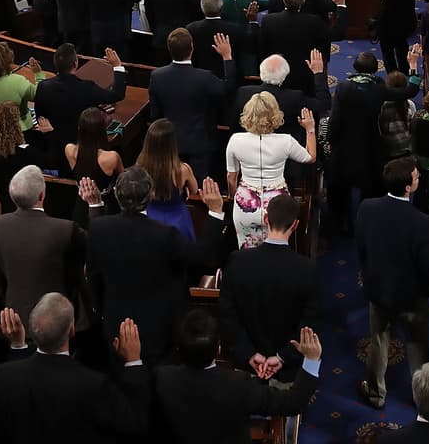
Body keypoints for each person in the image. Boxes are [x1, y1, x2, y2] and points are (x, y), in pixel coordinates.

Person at [87, 167, 227, 362]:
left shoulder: (98, 229)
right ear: (151, 194)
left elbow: (94, 280)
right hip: (159, 333)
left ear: (117, 194)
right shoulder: (165, 234)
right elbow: (202, 257)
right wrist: (215, 212)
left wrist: (103, 312)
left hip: (115, 327)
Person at [0, 293, 150, 441]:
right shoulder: (95, 385)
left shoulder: (2, 376)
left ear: (32, 330)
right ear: (72, 330)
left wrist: (18, 346)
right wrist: (133, 361)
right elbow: (134, 422)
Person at [155, 311, 321, 444]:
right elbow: (293, 402)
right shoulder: (238, 385)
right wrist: (311, 360)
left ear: (178, 349)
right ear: (218, 348)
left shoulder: (160, 379)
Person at [355, 157, 429, 409]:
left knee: (379, 340)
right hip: (412, 297)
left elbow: (361, 250)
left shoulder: (366, 208)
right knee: (417, 345)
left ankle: (376, 394)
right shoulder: (423, 223)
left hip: (378, 291)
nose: (419, 177)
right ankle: (422, 398)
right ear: (406, 187)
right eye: (415, 176)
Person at [219, 192, 316, 385]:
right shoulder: (307, 269)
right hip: (287, 370)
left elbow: (227, 315)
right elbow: (309, 324)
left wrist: (249, 353)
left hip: (245, 368)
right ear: (295, 225)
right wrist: (282, 357)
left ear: (265, 219)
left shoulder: (237, 261)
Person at [0, 165, 86, 329]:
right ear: (42, 194)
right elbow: (83, 267)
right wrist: (95, 206)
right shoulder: (65, 229)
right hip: (57, 320)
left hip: (15, 318)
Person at [226, 92, 316, 248]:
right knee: (277, 252)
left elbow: (231, 177)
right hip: (278, 207)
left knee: (247, 252)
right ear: (275, 114)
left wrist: (233, 197)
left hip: (245, 205)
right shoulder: (286, 141)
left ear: (248, 114)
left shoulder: (235, 140)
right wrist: (310, 129)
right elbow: (310, 157)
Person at [148, 28, 237, 180]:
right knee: (200, 189)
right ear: (192, 48)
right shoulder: (204, 78)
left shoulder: (157, 76)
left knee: (173, 185)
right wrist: (227, 56)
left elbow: (155, 115)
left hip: (170, 143)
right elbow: (229, 88)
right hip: (201, 144)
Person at [135, 118, 200, 241]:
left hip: (149, 219)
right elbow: (194, 190)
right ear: (172, 143)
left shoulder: (140, 165)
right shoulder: (183, 170)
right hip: (178, 222)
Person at [64, 105, 124, 189]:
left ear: (79, 129)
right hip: (105, 200)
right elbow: (124, 180)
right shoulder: (111, 157)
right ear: (103, 130)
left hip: (82, 200)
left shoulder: (69, 149)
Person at [377, 0, 421, 75]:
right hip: (405, 25)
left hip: (388, 25)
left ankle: (392, 74)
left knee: (387, 52)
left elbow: (383, 5)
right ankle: (405, 71)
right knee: (402, 48)